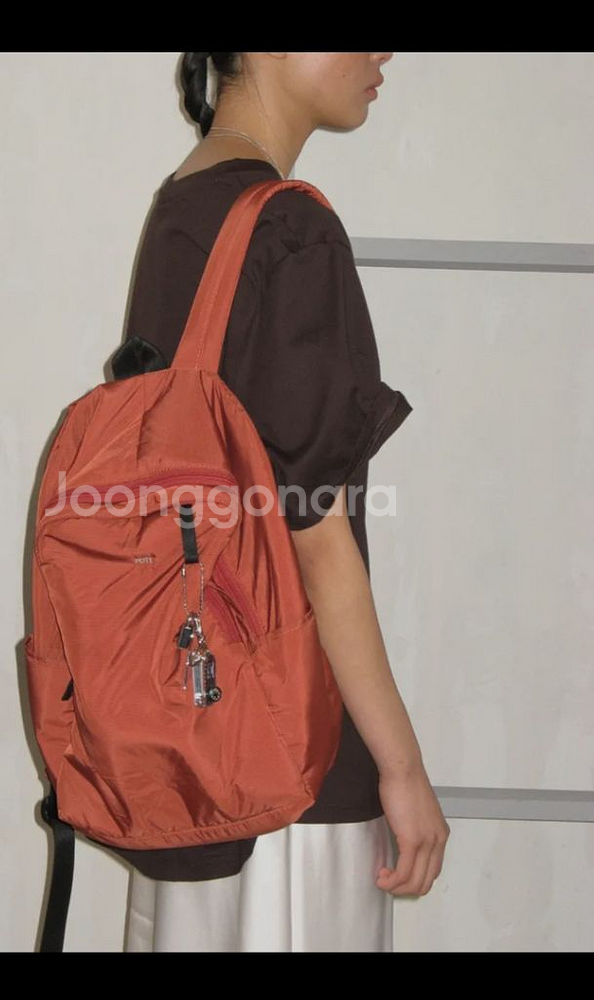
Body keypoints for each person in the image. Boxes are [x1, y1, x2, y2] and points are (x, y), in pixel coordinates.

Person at [118, 52, 450, 952]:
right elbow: (316, 539)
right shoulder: (288, 229)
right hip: (291, 770)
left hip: (191, 746)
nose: (383, 53)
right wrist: (402, 766)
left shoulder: (184, 207)